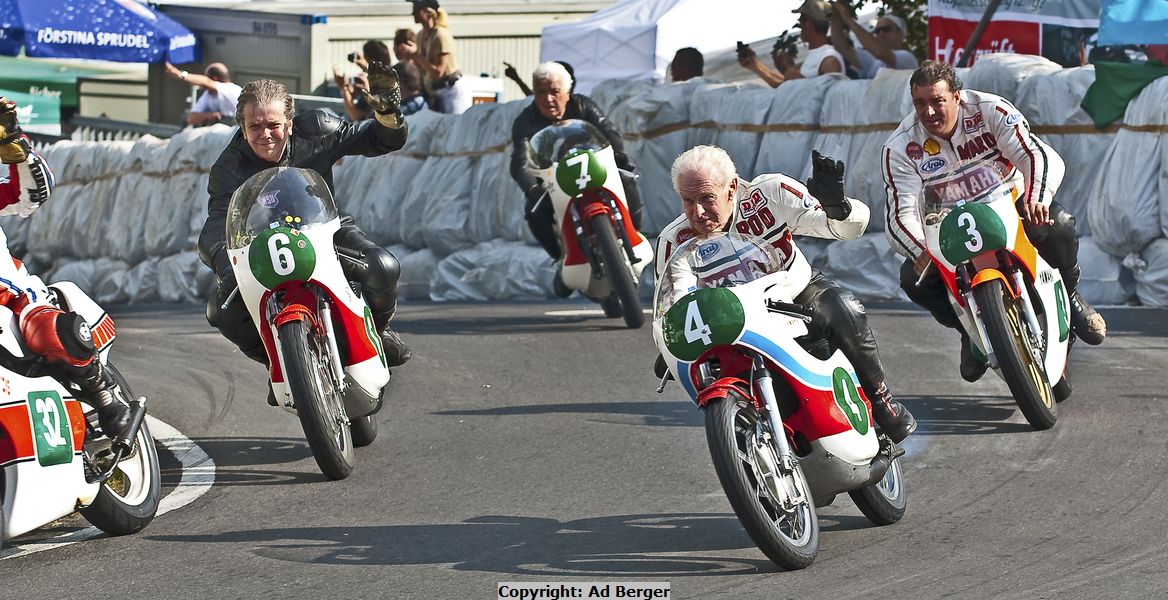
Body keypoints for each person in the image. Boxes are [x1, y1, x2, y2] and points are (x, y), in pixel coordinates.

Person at [656, 144, 917, 443]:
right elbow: (673, 301)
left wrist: (839, 208)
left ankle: (882, 400)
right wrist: (670, 341)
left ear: (732, 188)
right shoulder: (674, 240)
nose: (698, 213)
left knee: (844, 307)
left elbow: (843, 229)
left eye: (707, 199)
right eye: (687, 201)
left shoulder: (771, 192)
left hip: (792, 293)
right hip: (732, 325)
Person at [882, 60, 1107, 383]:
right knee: (912, 279)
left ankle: (1070, 295)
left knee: (1056, 223)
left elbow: (1035, 154)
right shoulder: (900, 147)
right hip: (949, 227)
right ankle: (967, 332)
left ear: (957, 97)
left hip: (1010, 204)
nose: (929, 112)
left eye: (937, 101)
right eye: (920, 103)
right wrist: (920, 249)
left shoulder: (992, 110)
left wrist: (1036, 198)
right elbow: (900, 212)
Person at [198, 64, 413, 399]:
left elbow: (378, 139)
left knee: (383, 266)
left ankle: (377, 331)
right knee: (221, 311)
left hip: (325, 229)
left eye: (273, 125)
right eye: (254, 126)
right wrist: (225, 266)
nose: (265, 134)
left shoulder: (318, 129)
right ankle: (278, 361)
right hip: (262, 249)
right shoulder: (228, 168)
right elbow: (215, 224)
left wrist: (387, 111)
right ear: (241, 127)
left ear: (290, 122)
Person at [0, 98, 130, 437]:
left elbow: (32, 193)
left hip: (12, 303)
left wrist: (17, 148)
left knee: (45, 330)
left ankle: (101, 391)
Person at [509, 61, 643, 293]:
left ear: (567, 93)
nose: (548, 99)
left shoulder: (583, 105)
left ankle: (633, 232)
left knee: (628, 179)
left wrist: (618, 154)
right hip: (553, 179)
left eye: (554, 92)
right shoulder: (525, 121)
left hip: (592, 169)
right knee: (534, 210)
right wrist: (532, 187)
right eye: (541, 92)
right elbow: (519, 161)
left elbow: (608, 131)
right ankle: (561, 258)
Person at [738, 0, 843, 88]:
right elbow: (784, 87)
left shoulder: (829, 60)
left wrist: (800, 80)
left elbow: (832, 98)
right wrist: (755, 65)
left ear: (808, 23)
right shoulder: (817, 57)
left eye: (800, 19)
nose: (799, 24)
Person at [400, 0, 472, 114]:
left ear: (428, 12)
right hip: (435, 90)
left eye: (416, 10)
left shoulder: (441, 35)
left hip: (451, 90)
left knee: (453, 126)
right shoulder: (420, 35)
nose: (413, 14)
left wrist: (415, 54)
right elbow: (423, 68)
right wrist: (410, 56)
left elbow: (439, 71)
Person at [829, 7, 918, 79]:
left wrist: (849, 20)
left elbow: (878, 52)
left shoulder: (908, 58)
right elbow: (842, 48)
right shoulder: (872, 60)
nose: (881, 34)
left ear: (901, 33)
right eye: (878, 31)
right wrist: (835, 16)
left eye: (886, 29)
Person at [164, 62, 243, 127]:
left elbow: (206, 82)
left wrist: (180, 74)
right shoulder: (208, 94)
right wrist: (209, 115)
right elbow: (191, 118)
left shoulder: (230, 89)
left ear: (214, 78)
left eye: (206, 77)